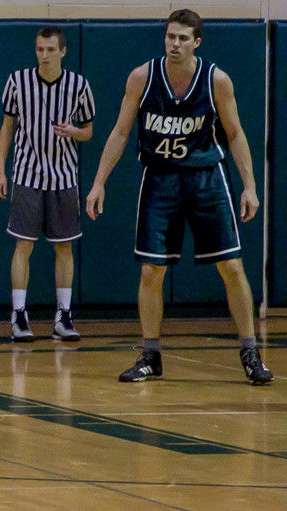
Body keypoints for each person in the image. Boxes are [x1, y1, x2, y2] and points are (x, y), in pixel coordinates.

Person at [85, 9, 274, 385]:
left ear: (197, 42)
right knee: (151, 270)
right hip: (160, 178)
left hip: (206, 177)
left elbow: (235, 134)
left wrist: (249, 185)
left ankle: (251, 353)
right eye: (170, 36)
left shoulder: (216, 80)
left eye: (183, 38)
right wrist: (98, 182)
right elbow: (121, 132)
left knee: (232, 267)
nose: (175, 44)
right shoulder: (142, 76)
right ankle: (150, 355)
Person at [0, 26, 95, 342]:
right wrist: (1, 170)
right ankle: (19, 315)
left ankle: (63, 316)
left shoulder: (79, 85)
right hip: (26, 174)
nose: (45, 55)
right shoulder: (18, 81)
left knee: (64, 247)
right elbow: (7, 126)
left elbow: (89, 131)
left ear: (63, 51)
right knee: (23, 245)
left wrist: (74, 132)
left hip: (64, 176)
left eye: (51, 49)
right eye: (40, 49)